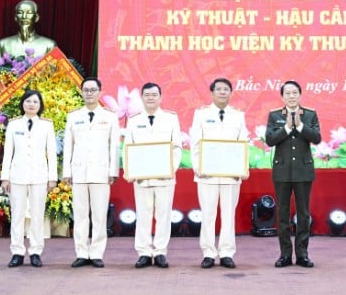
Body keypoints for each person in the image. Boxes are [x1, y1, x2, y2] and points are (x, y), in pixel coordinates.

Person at [189, 77, 248, 269]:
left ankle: (226, 253)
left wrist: (242, 169)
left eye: (226, 89)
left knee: (228, 214)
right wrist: (198, 167)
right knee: (208, 214)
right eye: (219, 89)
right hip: (207, 174)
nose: (222, 92)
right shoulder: (201, 114)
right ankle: (208, 253)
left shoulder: (238, 115)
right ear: (212, 93)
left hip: (231, 174)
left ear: (230, 93)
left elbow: (243, 144)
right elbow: (195, 143)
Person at [62, 77, 120, 268]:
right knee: (80, 215)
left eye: (93, 90)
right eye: (86, 90)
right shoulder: (73, 116)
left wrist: (113, 171)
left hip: (101, 172)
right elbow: (68, 146)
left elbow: (114, 146)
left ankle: (96, 253)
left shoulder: (110, 116)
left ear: (100, 92)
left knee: (99, 215)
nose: (89, 93)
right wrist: (67, 171)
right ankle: (81, 252)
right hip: (78, 172)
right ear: (81, 92)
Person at [125, 82, 182, 269]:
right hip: (142, 177)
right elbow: (128, 147)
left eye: (154, 94)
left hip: (165, 177)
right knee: (143, 214)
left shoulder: (170, 118)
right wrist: (130, 171)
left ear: (160, 97)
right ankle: (144, 252)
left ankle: (159, 252)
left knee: (163, 215)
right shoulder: (134, 120)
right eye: (147, 95)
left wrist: (170, 169)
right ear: (142, 98)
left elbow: (177, 147)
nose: (150, 98)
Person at [265, 80, 321, 268]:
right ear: (282, 96)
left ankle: (303, 254)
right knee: (282, 214)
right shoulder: (275, 115)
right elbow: (270, 140)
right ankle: (285, 255)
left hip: (303, 171)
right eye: (287, 93)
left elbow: (317, 138)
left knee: (303, 214)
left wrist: (300, 126)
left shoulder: (310, 114)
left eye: (295, 92)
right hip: (282, 171)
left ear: (300, 95)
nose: (291, 96)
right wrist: (287, 128)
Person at [0, 89, 58, 268]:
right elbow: (8, 152)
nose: (31, 104)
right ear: (22, 103)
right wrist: (5, 177)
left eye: (35, 102)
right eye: (28, 101)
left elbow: (51, 153)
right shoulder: (14, 124)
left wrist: (52, 177)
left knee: (37, 215)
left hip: (40, 176)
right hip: (17, 176)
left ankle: (35, 252)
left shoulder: (46, 125)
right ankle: (17, 252)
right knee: (17, 215)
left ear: (40, 105)